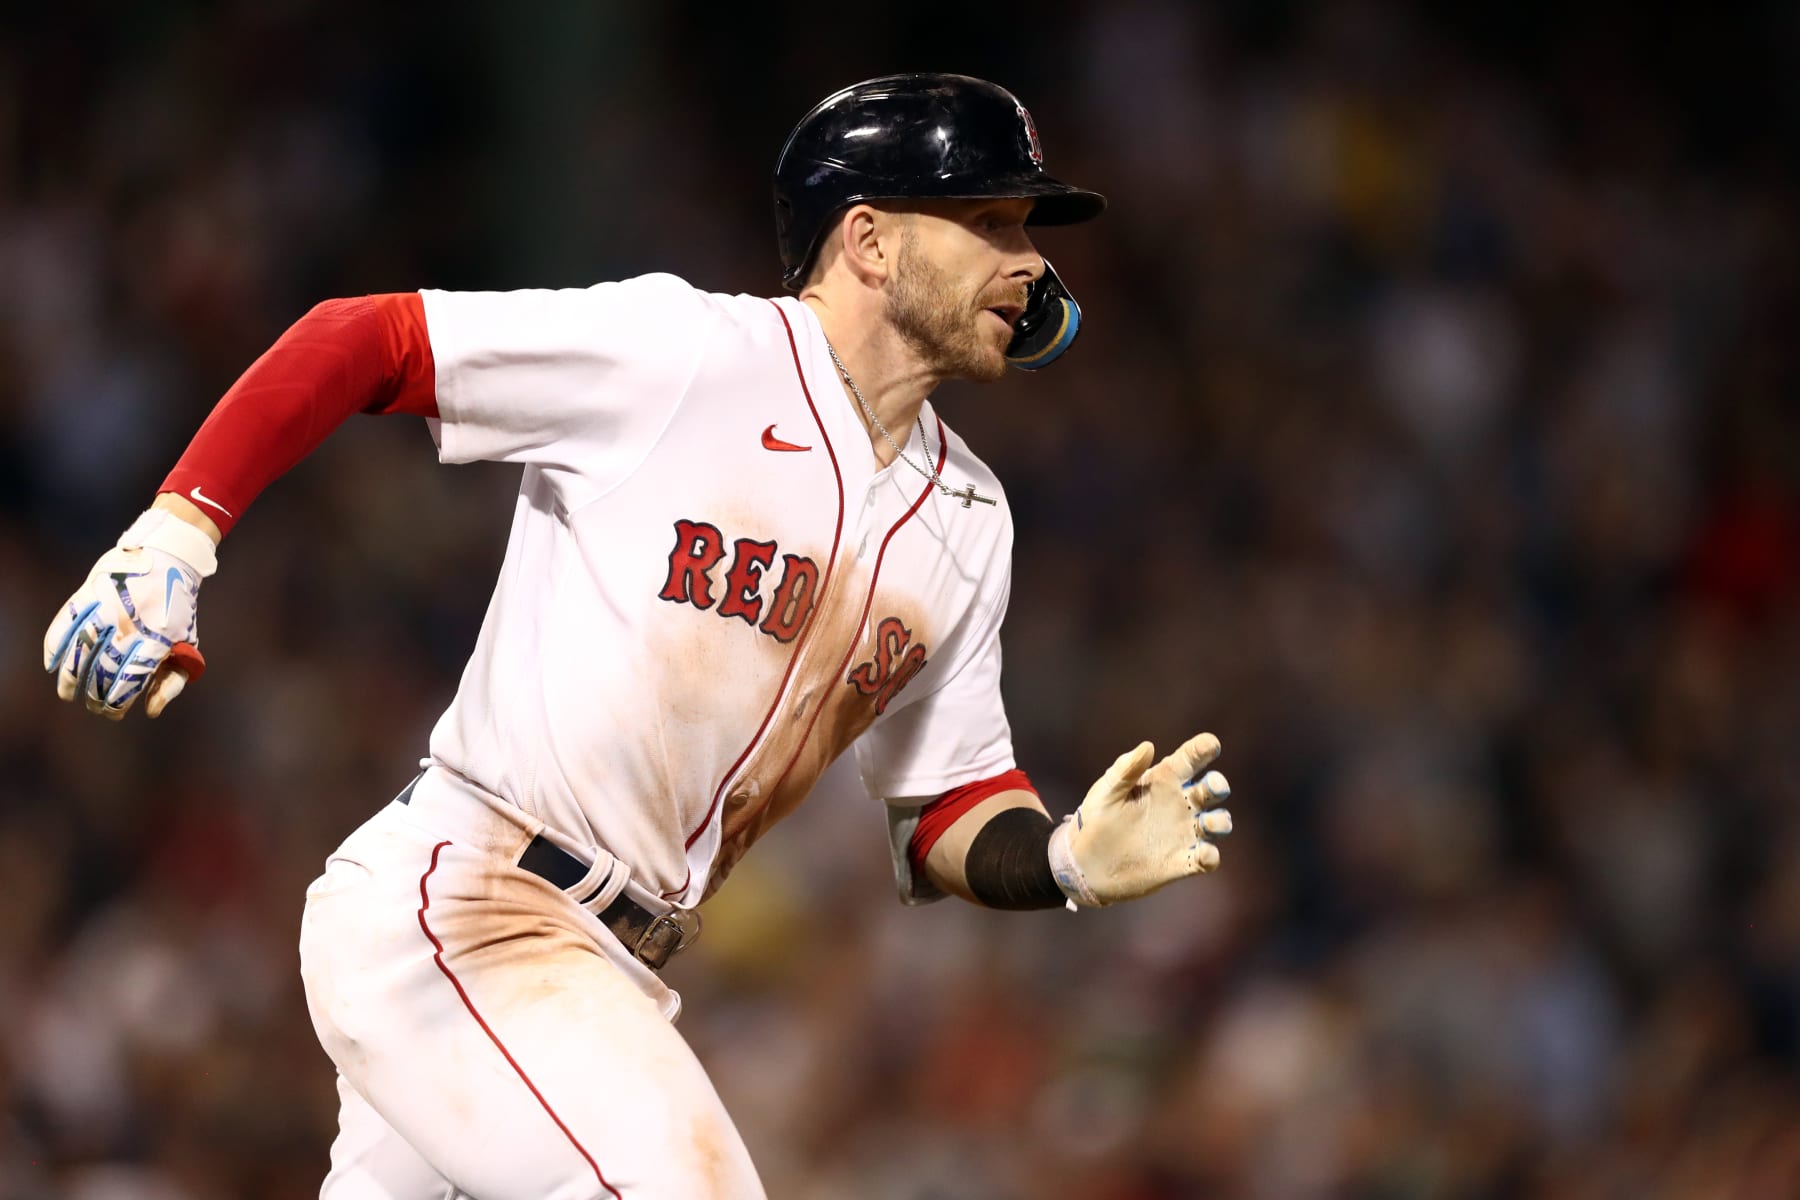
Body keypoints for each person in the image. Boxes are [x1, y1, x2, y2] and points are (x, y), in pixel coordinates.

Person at [41, 74, 1234, 1199]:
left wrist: (1066, 861)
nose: (1031, 263)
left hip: (608, 971)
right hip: (468, 904)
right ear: (869, 240)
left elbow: (945, 810)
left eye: (1028, 228)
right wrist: (175, 534)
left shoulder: (970, 522)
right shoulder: (685, 355)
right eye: (991, 219)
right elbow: (365, 338)